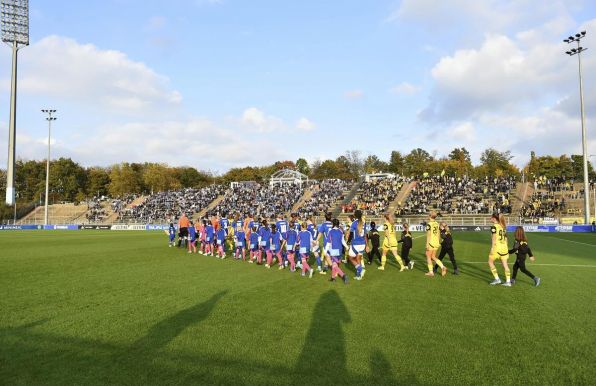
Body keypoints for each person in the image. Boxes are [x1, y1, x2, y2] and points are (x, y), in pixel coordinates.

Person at [488, 213, 511, 286]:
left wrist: (492, 247)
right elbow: (506, 238)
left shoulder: (494, 227)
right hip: (504, 247)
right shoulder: (503, 226)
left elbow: (494, 238)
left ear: (494, 218)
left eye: (491, 217)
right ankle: (508, 282)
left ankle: (497, 279)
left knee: (490, 262)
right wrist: (506, 246)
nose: (490, 218)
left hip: (497, 248)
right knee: (505, 264)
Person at [425, 211, 447, 277]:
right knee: (433, 257)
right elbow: (438, 234)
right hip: (436, 242)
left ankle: (431, 272)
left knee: (428, 256)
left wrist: (427, 244)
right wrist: (438, 242)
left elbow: (428, 235)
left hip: (431, 242)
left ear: (430, 216)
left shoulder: (429, 224)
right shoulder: (437, 223)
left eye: (428, 215)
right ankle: (442, 267)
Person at [328, 219, 349, 284]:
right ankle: (333, 277)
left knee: (334, 265)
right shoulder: (340, 231)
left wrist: (326, 249)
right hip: (339, 249)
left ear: (333, 224)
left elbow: (329, 242)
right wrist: (347, 247)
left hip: (333, 249)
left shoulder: (331, 231)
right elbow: (342, 241)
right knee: (335, 264)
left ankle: (343, 275)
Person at [348, 209, 366, 280]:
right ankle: (358, 275)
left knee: (351, 258)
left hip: (356, 243)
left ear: (355, 215)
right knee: (358, 258)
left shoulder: (354, 223)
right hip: (362, 243)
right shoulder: (364, 222)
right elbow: (365, 234)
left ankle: (361, 270)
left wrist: (348, 241)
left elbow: (351, 234)